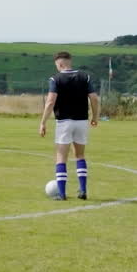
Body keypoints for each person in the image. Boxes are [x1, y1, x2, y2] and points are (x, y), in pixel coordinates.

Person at [38, 51, 100, 200]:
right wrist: (95, 116)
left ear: (59, 64)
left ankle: (62, 193)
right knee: (80, 155)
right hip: (82, 122)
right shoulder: (85, 77)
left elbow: (51, 102)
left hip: (64, 122)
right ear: (69, 61)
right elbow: (94, 99)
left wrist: (43, 122)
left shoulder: (55, 78)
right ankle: (83, 190)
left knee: (61, 157)